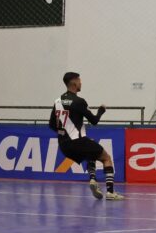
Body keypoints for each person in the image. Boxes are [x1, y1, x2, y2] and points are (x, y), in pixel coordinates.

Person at [48, 72, 124, 200]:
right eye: (79, 80)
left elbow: (51, 125)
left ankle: (93, 179)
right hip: (77, 141)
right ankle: (110, 192)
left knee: (91, 151)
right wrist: (101, 111)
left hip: (64, 145)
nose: (81, 83)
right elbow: (94, 121)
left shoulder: (57, 102)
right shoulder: (79, 101)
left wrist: (64, 133)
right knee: (106, 158)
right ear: (74, 83)